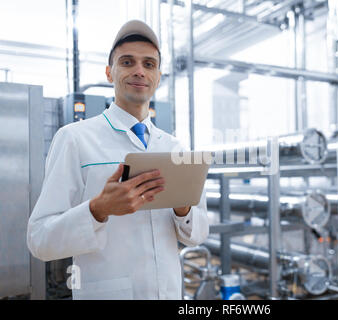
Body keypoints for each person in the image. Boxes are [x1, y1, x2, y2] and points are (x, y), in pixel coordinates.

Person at [27, 20, 209, 300]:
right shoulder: (75, 139)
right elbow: (39, 240)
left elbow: (196, 235)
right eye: (127, 62)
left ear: (158, 78)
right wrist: (97, 210)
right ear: (110, 73)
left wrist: (183, 209)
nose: (139, 71)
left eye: (149, 64)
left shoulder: (175, 148)